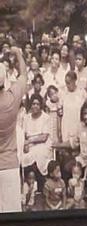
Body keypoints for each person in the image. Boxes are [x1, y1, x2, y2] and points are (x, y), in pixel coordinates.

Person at [0, 46, 27, 212]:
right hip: (9, 165)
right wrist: (18, 53)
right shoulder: (12, 97)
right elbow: (23, 75)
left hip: (8, 165)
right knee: (12, 223)